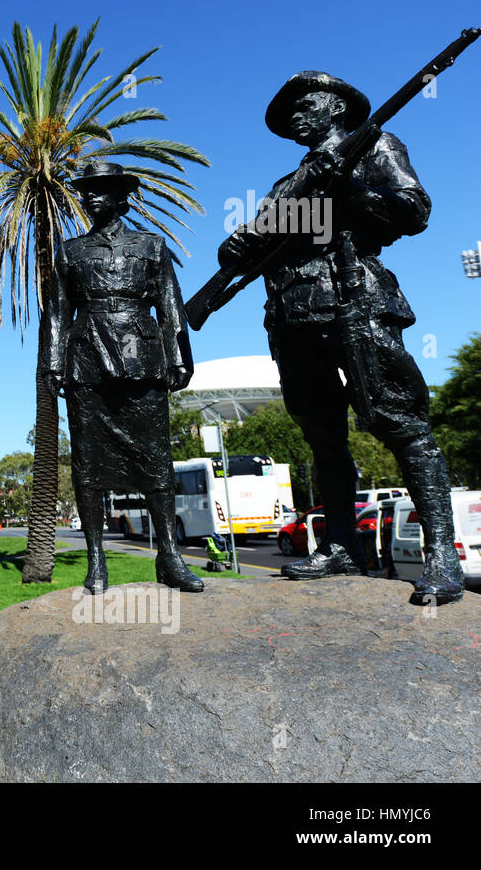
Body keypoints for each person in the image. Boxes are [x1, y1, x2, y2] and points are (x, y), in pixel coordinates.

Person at [216, 71, 464, 605]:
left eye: (305, 104)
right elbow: (257, 245)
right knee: (322, 434)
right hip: (291, 315)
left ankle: (441, 554)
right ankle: (343, 545)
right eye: (289, 114)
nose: (295, 117)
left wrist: (349, 183)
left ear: (336, 107)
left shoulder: (373, 146)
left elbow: (413, 211)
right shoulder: (288, 185)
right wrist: (231, 250)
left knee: (400, 421)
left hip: (354, 301)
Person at [46, 162, 203, 594]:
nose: (91, 198)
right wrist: (52, 365)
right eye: (86, 192)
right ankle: (96, 560)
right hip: (86, 358)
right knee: (88, 463)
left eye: (101, 190)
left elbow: (171, 304)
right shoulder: (70, 250)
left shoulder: (151, 245)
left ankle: (169, 555)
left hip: (141, 353)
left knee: (154, 457)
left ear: (122, 197)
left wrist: (179, 358)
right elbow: (57, 313)